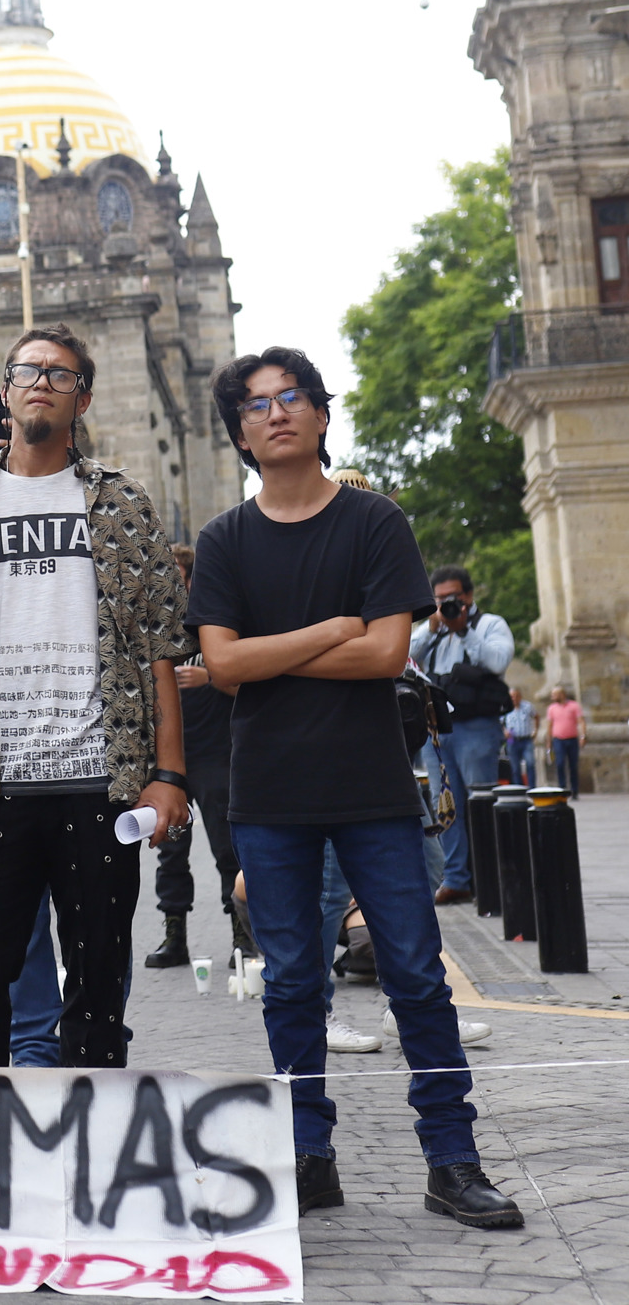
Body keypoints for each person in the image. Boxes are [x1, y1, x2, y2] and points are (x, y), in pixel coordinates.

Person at [190, 345, 522, 1229]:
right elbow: (221, 666)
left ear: (322, 414)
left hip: (373, 785)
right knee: (294, 982)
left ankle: (452, 1160)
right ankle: (308, 1155)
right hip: (270, 793)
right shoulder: (225, 540)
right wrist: (334, 625)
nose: (278, 411)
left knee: (416, 973)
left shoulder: (376, 524)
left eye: (293, 395)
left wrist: (281, 650)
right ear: (241, 435)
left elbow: (386, 653)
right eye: (257, 404)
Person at [0, 324, 190, 1071]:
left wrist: (170, 776)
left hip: (99, 781)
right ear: (5, 390)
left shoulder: (122, 502)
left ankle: (87, 1145)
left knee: (98, 978)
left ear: (82, 397)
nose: (42, 382)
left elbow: (160, 645)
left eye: (60, 375)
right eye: (28, 371)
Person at [143, 543, 247, 972]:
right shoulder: (147, 629)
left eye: (174, 574)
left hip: (216, 754)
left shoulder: (212, 625)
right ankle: (174, 935)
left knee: (229, 851)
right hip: (168, 759)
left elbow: (247, 682)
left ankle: (242, 935)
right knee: (169, 851)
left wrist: (209, 675)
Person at [409, 564, 515, 905]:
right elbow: (401, 657)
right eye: (439, 599)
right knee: (447, 807)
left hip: (476, 727)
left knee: (481, 801)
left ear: (468, 596)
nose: (446, 605)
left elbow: (498, 661)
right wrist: (433, 626)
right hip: (437, 731)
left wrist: (464, 629)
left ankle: (490, 877)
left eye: (452, 598)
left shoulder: (489, 625)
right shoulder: (433, 631)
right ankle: (456, 879)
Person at [546, 686, 583, 798]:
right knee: (560, 763)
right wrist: (549, 741)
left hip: (572, 739)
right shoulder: (552, 708)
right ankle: (562, 787)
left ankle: (574, 790)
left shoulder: (574, 706)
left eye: (555, 694)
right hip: (558, 740)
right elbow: (549, 726)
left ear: (562, 694)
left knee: (573, 765)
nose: (552, 697)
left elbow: (581, 721)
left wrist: (583, 736)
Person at [500, 688, 536, 790]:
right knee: (515, 767)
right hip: (512, 741)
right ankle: (519, 788)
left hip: (526, 739)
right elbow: (500, 723)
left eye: (516, 696)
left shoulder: (528, 707)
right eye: (512, 696)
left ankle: (532, 787)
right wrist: (504, 731)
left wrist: (535, 730)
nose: (514, 698)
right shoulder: (505, 708)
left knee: (530, 763)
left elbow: (536, 716)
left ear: (520, 696)